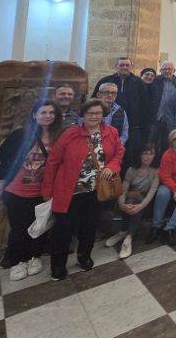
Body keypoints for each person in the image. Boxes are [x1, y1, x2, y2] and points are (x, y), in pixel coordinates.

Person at [42, 99, 124, 280]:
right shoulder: (70, 134)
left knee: (89, 227)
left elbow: (119, 153)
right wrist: (47, 190)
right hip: (70, 191)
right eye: (90, 113)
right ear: (83, 115)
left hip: (96, 191)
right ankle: (58, 265)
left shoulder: (111, 132)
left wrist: (112, 166)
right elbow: (53, 162)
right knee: (63, 230)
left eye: (98, 113)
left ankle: (84, 256)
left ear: (103, 115)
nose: (94, 116)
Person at [0, 100, 63, 280]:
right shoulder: (21, 135)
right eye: (43, 112)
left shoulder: (58, 137)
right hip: (17, 189)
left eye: (51, 113)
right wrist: (1, 184)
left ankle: (34, 257)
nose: (47, 116)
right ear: (34, 115)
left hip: (43, 191)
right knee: (19, 228)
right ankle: (19, 260)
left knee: (38, 227)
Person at [104, 144, 159, 259]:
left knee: (137, 199)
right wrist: (122, 205)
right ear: (140, 154)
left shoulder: (156, 171)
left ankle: (127, 237)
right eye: (145, 153)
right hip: (128, 199)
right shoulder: (132, 169)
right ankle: (124, 233)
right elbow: (123, 190)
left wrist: (140, 206)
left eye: (151, 154)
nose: (148, 157)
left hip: (145, 202)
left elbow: (151, 192)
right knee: (131, 198)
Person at [92, 57, 148, 159]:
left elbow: (145, 105)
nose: (125, 67)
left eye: (127, 65)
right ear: (116, 67)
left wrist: (143, 126)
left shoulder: (139, 83)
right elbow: (94, 101)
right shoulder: (106, 81)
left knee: (129, 157)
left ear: (132, 67)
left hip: (134, 128)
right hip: (108, 126)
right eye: (122, 65)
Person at [147, 62, 176, 162]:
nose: (167, 71)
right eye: (164, 69)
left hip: (170, 120)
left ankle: (164, 165)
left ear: (174, 70)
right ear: (160, 71)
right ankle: (151, 164)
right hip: (156, 118)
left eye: (169, 69)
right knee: (151, 143)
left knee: (167, 144)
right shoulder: (155, 81)